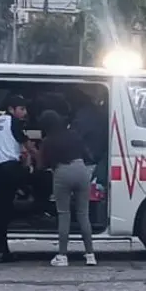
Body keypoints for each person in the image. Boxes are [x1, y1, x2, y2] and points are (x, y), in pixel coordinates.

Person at [37, 110, 97, 266]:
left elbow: (41, 165)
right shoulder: (74, 134)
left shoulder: (48, 140)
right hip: (81, 169)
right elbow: (89, 155)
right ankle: (90, 255)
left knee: (64, 215)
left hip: (62, 173)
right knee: (83, 214)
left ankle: (62, 256)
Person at [0, 94, 32, 263]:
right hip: (10, 169)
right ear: (11, 109)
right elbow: (25, 143)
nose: (25, 112)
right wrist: (36, 155)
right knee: (40, 180)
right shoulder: (13, 122)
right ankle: (36, 213)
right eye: (21, 109)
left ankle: (0, 249)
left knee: (0, 210)